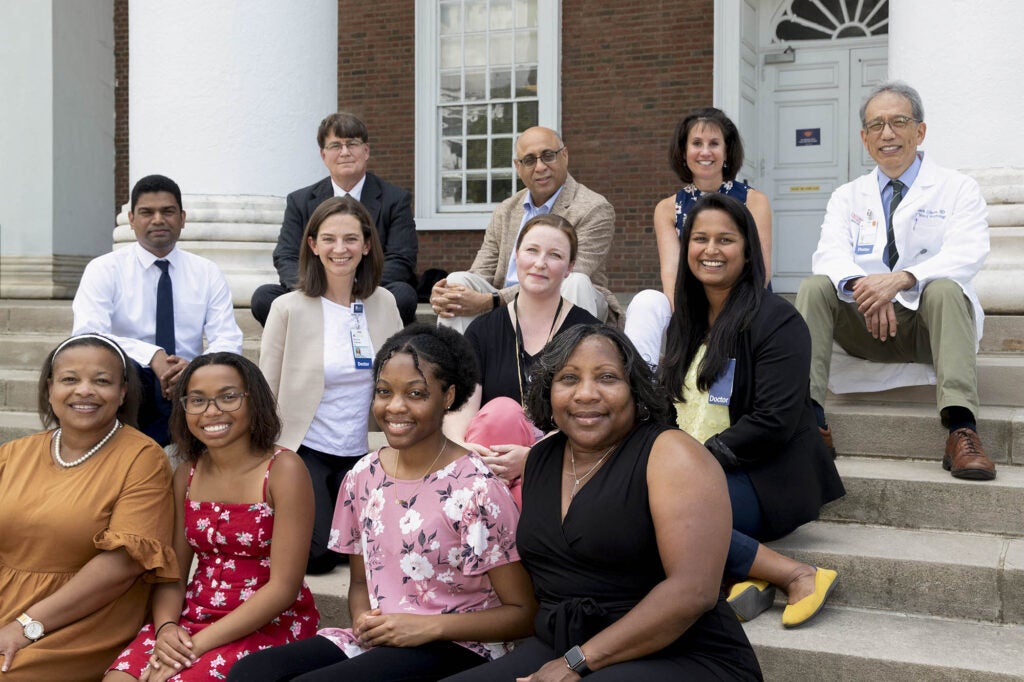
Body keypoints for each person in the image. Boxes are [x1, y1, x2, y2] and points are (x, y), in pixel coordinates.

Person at [443, 324, 763, 681]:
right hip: (562, 646)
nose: (586, 394)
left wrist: (576, 663)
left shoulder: (673, 455)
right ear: (549, 390)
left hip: (684, 653)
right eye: (568, 378)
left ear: (634, 388)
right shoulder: (540, 460)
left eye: (607, 377)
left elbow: (693, 591)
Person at [227, 324, 536, 682]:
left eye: (416, 393)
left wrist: (425, 628)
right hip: (384, 638)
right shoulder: (363, 475)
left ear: (448, 396)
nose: (395, 407)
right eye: (384, 392)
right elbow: (361, 584)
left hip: (461, 645)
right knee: (251, 673)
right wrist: (363, 619)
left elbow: (523, 612)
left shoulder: (478, 490)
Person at [660, 193, 845, 628]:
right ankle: (747, 573)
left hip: (762, 477)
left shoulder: (777, 320)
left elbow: (774, 420)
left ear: (747, 251)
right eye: (700, 238)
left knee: (654, 514)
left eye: (725, 239)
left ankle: (798, 574)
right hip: (692, 473)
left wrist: (695, 462)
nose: (711, 250)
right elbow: (665, 405)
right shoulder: (683, 322)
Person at [794, 81, 994, 479]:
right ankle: (809, 423)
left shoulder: (958, 189)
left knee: (945, 287)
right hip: (865, 325)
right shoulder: (846, 196)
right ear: (864, 139)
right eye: (876, 125)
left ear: (919, 131)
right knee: (815, 286)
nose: (887, 133)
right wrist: (863, 287)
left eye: (898, 122)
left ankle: (961, 430)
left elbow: (968, 252)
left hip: (928, 328)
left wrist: (902, 279)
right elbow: (829, 254)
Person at [105, 353, 319, 681]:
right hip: (193, 616)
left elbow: (283, 589)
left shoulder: (283, 470)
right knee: (121, 678)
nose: (212, 411)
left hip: (265, 622)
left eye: (228, 397)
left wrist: (194, 646)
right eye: (198, 400)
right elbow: (173, 573)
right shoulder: (187, 474)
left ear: (254, 400)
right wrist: (165, 629)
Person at [0, 334, 176, 681]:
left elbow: (123, 565)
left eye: (101, 381)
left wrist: (26, 625)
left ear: (123, 392)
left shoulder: (143, 458)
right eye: (70, 379)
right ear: (50, 388)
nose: (84, 390)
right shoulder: (14, 453)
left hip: (82, 618)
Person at [259, 195, 403, 574]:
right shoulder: (287, 307)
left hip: (367, 451)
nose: (341, 249)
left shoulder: (384, 302)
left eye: (351, 239)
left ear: (367, 245)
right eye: (329, 239)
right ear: (313, 245)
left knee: (382, 547)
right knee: (317, 556)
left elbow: (403, 379)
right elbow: (267, 389)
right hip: (308, 448)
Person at [73, 174, 244, 445]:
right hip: (131, 379)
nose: (158, 220)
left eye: (167, 211)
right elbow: (87, 335)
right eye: (146, 212)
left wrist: (194, 368)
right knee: (118, 369)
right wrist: (152, 355)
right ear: (131, 220)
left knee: (228, 373)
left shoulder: (207, 272)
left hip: (192, 380)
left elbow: (228, 339)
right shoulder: (104, 269)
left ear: (183, 218)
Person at [446, 214, 601, 506]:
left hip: (563, 462)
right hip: (490, 464)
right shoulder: (482, 330)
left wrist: (533, 457)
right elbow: (459, 409)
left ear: (569, 268)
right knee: (501, 413)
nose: (540, 263)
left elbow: (592, 418)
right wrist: (466, 450)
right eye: (532, 251)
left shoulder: (590, 335)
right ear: (516, 256)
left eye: (554, 255)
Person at [430, 126, 622, 332]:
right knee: (457, 282)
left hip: (570, 299)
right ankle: (457, 363)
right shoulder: (506, 210)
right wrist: (446, 295)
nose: (540, 167)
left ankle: (568, 363)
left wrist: (493, 300)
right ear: (517, 167)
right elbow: (481, 272)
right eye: (530, 160)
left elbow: (567, 275)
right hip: (508, 305)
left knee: (576, 281)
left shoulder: (593, 208)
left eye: (548, 156)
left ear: (564, 155)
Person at [625, 107, 772, 369]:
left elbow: (761, 273)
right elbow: (672, 278)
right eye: (697, 143)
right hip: (691, 306)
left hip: (745, 306)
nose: (705, 152)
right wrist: (694, 320)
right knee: (647, 301)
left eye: (714, 143)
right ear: (683, 152)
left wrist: (723, 317)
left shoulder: (754, 202)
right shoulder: (667, 209)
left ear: (727, 152)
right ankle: (638, 385)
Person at [251, 112, 419, 326]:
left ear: (365, 151)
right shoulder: (300, 201)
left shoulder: (395, 199)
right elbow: (286, 256)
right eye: (336, 146)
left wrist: (353, 289)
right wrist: (322, 291)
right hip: (315, 293)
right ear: (323, 155)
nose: (345, 152)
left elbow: (401, 260)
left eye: (352, 144)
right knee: (264, 297)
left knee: (403, 296)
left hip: (369, 294)